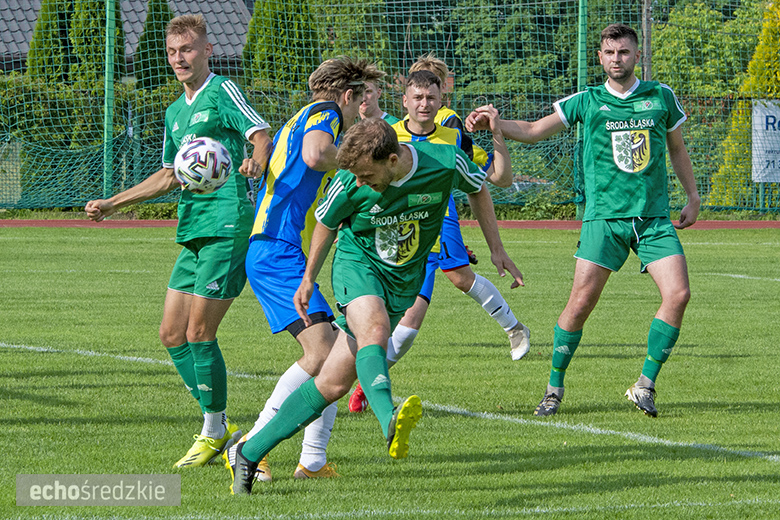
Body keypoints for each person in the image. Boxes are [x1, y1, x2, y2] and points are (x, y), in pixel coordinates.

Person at [225, 118, 524, 495]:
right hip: (357, 266)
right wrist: (308, 278)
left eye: (367, 175)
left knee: (333, 383)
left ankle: (249, 452)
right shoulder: (349, 181)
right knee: (376, 330)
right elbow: (325, 222)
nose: (360, 182)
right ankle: (389, 419)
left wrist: (497, 249)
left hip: (402, 280)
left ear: (393, 160)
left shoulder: (446, 161)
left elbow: (478, 189)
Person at [466, 23, 700, 417]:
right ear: (600, 57)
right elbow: (534, 130)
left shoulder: (660, 96)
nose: (616, 59)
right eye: (609, 53)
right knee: (578, 306)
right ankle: (553, 389)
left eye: (623, 52)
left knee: (678, 295)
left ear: (636, 54)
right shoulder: (587, 100)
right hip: (603, 221)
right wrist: (494, 123)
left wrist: (693, 196)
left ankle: (644, 385)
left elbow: (677, 148)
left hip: (653, 220)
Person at [85, 14, 273, 466]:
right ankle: (217, 424)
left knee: (199, 332)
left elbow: (260, 134)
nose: (178, 59)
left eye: (186, 49)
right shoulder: (174, 112)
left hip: (227, 220)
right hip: (191, 224)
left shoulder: (223, 90)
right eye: (171, 52)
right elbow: (169, 175)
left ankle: (215, 429)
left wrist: (256, 161)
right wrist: (113, 202)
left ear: (207, 50)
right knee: (172, 334)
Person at [234, 57, 385, 482]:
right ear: (346, 95)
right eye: (358, 101)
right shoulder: (326, 113)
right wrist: (359, 163)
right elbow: (317, 154)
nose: (357, 112)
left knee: (336, 355)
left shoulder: (300, 115)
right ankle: (250, 448)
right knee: (321, 354)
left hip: (277, 247)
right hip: (276, 249)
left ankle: (312, 462)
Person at [348, 67, 531, 414]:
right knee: (380, 317)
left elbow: (496, 179)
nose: (424, 104)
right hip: (391, 233)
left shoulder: (453, 138)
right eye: (417, 97)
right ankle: (354, 378)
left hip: (434, 228)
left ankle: (362, 383)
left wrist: (497, 135)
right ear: (405, 101)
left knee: (411, 321)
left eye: (431, 97)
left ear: (440, 100)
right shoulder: (387, 136)